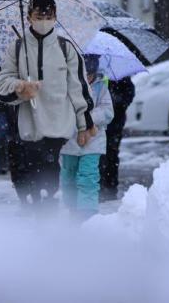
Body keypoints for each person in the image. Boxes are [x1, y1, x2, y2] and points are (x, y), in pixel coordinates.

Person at [0, 0, 97, 208]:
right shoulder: (16, 48)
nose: (44, 20)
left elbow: (78, 87)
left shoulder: (66, 48)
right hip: (28, 126)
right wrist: (20, 88)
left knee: (48, 171)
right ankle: (34, 205)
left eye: (48, 16)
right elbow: (2, 85)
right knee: (28, 172)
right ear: (29, 18)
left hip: (58, 124)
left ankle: (46, 210)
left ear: (55, 17)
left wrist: (84, 125)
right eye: (38, 15)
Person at [60, 55, 114, 220]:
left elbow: (108, 112)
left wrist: (88, 118)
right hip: (69, 140)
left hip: (93, 141)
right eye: (84, 74)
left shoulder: (100, 88)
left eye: (91, 74)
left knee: (88, 177)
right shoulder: (65, 86)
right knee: (68, 177)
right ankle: (72, 208)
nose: (88, 78)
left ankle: (87, 212)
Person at [99, 76, 136, 201]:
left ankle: (110, 187)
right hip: (97, 123)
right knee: (96, 156)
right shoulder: (94, 74)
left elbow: (129, 92)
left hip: (114, 123)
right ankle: (99, 186)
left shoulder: (119, 76)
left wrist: (117, 100)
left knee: (111, 154)